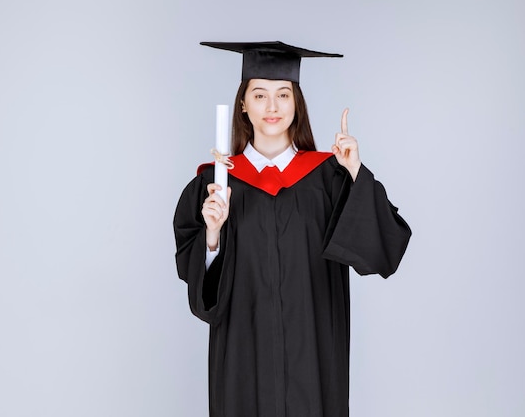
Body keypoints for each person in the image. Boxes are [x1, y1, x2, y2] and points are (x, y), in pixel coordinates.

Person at [173, 41, 411, 417]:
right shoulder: (213, 185)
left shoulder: (329, 177)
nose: (272, 107)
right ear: (243, 104)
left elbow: (385, 248)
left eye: (283, 94)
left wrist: (355, 175)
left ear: (296, 103)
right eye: (260, 94)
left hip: (312, 357)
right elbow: (203, 300)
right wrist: (213, 236)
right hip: (242, 358)